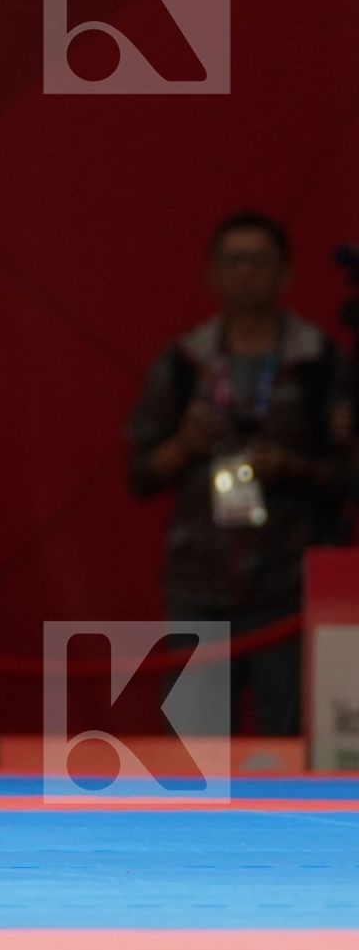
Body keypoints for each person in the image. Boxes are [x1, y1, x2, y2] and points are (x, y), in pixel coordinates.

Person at [127, 212, 352, 735]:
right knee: (194, 751)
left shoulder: (319, 361)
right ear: (211, 274)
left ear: (285, 273)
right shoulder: (186, 362)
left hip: (291, 590)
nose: (245, 272)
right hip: (199, 585)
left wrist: (291, 468)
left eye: (258, 261)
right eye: (233, 261)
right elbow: (139, 474)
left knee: (292, 747)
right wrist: (184, 447)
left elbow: (348, 476)